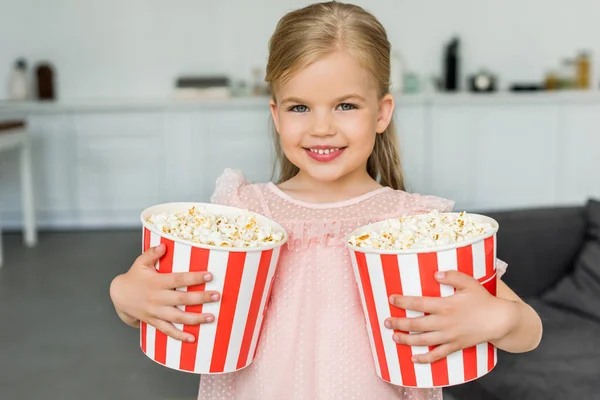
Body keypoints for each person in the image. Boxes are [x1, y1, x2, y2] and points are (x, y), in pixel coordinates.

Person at [109, 2, 543, 399]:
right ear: (276, 115)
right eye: (300, 108)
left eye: (345, 106)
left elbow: (528, 330)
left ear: (382, 113)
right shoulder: (243, 214)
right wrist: (124, 293)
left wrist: (499, 320)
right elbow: (162, 301)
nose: (321, 128)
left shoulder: (413, 225)